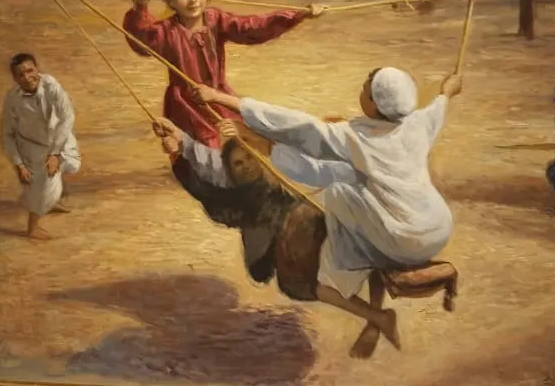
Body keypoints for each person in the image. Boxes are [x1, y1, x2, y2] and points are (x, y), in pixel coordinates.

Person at [194, 66, 461, 354]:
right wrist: (447, 91)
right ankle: (376, 312)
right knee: (353, 194)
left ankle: (374, 306)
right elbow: (438, 106)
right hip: (436, 228)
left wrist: (222, 101)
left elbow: (299, 127)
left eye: (365, 89)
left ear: (375, 103)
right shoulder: (418, 123)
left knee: (337, 196)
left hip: (398, 238)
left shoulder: (354, 137)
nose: (361, 91)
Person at [123, 0, 325, 148]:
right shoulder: (167, 31)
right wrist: (140, 8)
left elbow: (252, 27)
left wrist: (299, 15)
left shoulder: (216, 20)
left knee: (252, 135)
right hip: (186, 105)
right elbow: (142, 41)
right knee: (207, 145)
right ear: (170, 1)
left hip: (219, 95)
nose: (193, 0)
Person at [0, 52, 81, 240]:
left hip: (56, 137)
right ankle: (33, 227)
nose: (27, 77)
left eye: (30, 71)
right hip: (31, 145)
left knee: (71, 164)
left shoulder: (51, 85)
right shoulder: (13, 99)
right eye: (21, 75)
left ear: (37, 69)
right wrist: (19, 164)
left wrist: (55, 153)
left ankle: (52, 200)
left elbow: (67, 116)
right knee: (44, 185)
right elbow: (7, 135)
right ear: (15, 78)